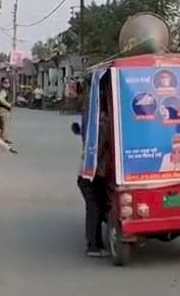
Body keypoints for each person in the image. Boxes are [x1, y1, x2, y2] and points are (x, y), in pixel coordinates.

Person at [76, 76, 110, 257]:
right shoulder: (101, 125)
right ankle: (93, 245)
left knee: (98, 207)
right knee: (94, 208)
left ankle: (96, 243)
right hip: (90, 175)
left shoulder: (93, 121)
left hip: (93, 174)